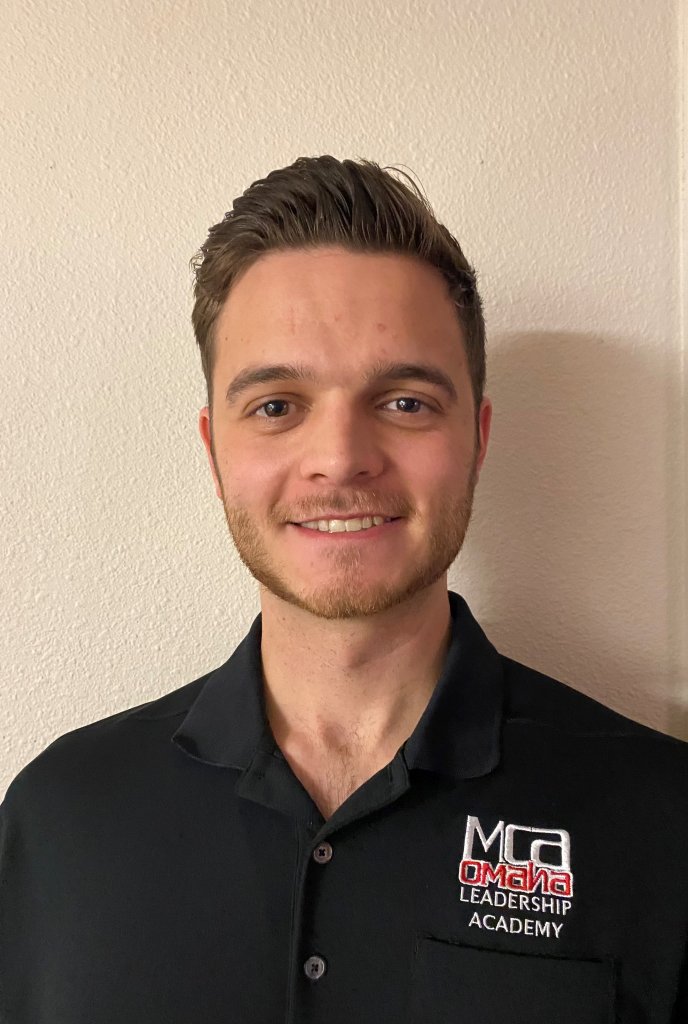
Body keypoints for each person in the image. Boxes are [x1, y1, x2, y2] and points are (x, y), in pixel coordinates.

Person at [1, 155, 686, 1023]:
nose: (341, 459)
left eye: (404, 402)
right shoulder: (60, 818)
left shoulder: (661, 820)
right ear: (214, 450)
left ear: (477, 439)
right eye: (277, 406)